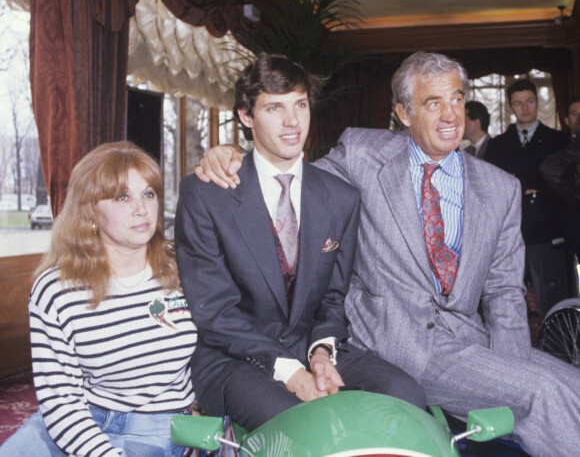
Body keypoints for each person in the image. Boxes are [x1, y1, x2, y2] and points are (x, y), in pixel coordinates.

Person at [195, 52, 580, 457]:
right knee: (544, 394)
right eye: (433, 102)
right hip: (389, 340)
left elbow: (504, 291)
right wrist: (232, 156)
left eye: (457, 99)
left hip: (470, 343)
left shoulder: (498, 187)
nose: (451, 115)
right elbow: (292, 180)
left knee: (567, 385)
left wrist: (508, 372)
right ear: (404, 112)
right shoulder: (364, 155)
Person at [175, 53, 425, 432]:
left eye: (301, 105)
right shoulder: (207, 194)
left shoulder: (340, 197)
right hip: (233, 358)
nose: (293, 122)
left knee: (406, 395)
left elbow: (331, 299)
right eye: (275, 108)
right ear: (246, 116)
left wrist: (322, 352)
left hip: (308, 349)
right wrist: (291, 373)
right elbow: (215, 313)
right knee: (300, 425)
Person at [0, 142, 197, 457]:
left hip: (159, 423)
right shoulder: (56, 289)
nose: (141, 209)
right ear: (90, 208)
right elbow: (61, 401)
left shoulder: (187, 267)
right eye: (122, 197)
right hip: (81, 416)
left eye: (148, 194)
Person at [486, 79, 570, 317]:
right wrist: (530, 184)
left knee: (553, 302)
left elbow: (564, 186)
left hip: (547, 231)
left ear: (538, 102)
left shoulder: (559, 140)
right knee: (507, 304)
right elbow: (494, 188)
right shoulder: (497, 145)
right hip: (510, 234)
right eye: (519, 103)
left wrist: (517, 180)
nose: (525, 108)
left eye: (530, 101)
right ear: (511, 107)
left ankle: (557, 354)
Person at [540, 97, 580, 261]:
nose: (579, 118)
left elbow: (548, 167)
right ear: (566, 120)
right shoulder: (565, 145)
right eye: (574, 114)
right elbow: (549, 167)